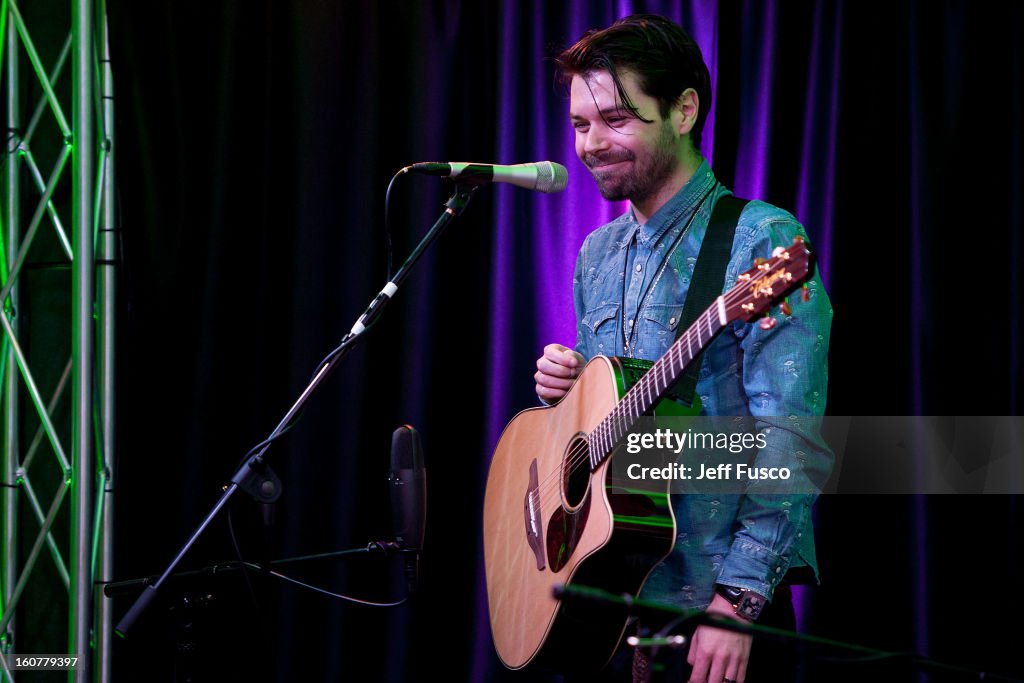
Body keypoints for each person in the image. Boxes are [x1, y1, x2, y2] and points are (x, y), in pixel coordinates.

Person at [533, 14, 833, 683]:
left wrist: (738, 603)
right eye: (581, 124)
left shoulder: (760, 238)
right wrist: (572, 388)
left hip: (711, 612)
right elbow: (601, 429)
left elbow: (790, 439)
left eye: (614, 118)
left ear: (685, 109)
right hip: (606, 599)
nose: (590, 144)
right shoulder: (597, 252)